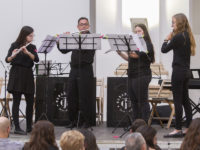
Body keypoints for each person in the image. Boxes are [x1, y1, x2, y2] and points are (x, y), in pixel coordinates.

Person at [161, 13, 196, 138]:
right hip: (186, 72)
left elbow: (163, 50)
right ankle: (188, 128)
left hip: (178, 72)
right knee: (185, 100)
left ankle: (177, 129)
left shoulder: (177, 37)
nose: (172, 25)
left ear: (179, 23)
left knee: (177, 101)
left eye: (173, 22)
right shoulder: (186, 35)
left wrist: (166, 39)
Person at [57, 17, 95, 128]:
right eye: (81, 24)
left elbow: (87, 55)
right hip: (74, 70)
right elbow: (64, 50)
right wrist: (61, 41)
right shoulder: (74, 37)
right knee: (71, 96)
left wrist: (76, 40)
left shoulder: (92, 38)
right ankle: (73, 121)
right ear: (78, 27)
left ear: (88, 26)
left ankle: (86, 122)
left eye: (85, 24)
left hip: (86, 70)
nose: (83, 26)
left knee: (85, 97)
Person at [117, 24, 155, 123]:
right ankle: (135, 124)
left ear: (144, 32)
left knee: (142, 101)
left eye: (139, 31)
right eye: (136, 31)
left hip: (142, 75)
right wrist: (120, 52)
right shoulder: (133, 45)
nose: (137, 33)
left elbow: (135, 56)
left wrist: (127, 48)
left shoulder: (147, 44)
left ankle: (144, 124)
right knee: (133, 101)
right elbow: (129, 58)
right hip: (132, 74)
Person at [5, 26, 39, 135]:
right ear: (24, 35)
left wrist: (27, 52)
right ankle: (17, 128)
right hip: (16, 74)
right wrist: (13, 54)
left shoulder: (32, 47)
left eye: (33, 35)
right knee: (16, 101)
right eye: (30, 35)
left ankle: (29, 126)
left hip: (28, 75)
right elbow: (7, 59)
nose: (32, 37)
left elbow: (36, 59)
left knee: (30, 102)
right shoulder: (14, 45)